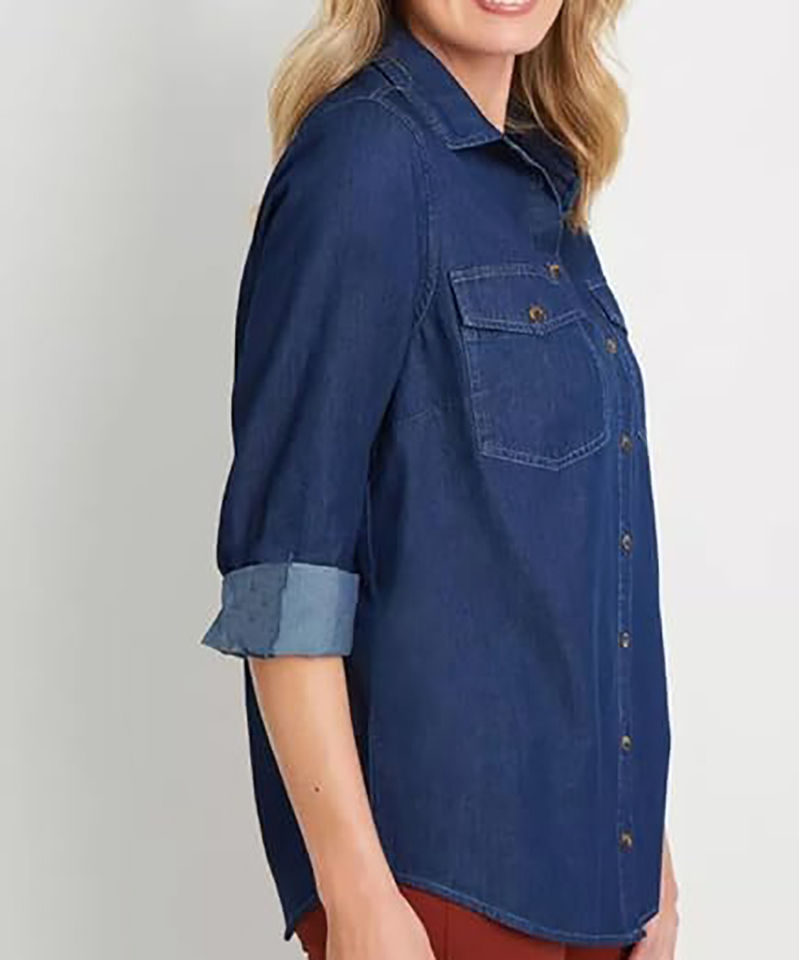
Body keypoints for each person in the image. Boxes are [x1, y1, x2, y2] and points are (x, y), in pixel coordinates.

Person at [200, 2, 678, 958]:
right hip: (441, 889)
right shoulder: (365, 164)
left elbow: (574, 559)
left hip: (595, 882)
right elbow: (283, 576)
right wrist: (357, 897)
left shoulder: (536, 180)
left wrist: (647, 858)